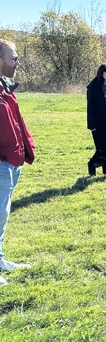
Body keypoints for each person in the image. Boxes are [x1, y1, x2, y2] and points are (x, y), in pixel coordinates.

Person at [0, 39, 35, 284]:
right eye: (14, 58)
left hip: (11, 163)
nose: (17, 63)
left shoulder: (5, 88)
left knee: (2, 215)